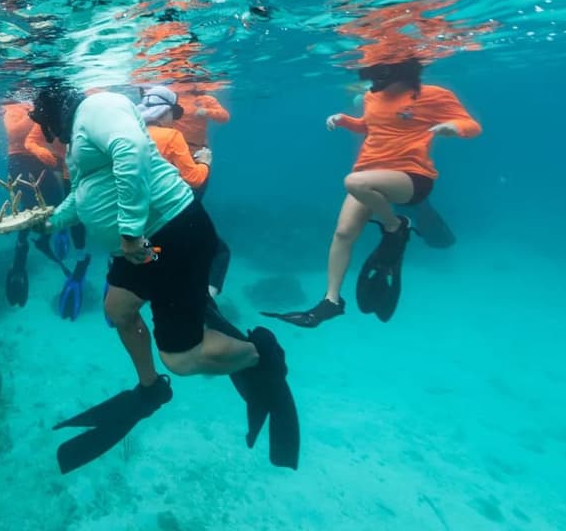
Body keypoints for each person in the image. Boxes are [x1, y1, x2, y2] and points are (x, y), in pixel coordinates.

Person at [29, 81, 297, 473]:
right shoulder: (81, 136)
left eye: (46, 128)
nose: (48, 137)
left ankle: (261, 355)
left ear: (54, 116)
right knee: (119, 309)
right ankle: (151, 389)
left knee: (182, 359)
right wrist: (50, 221)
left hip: (171, 236)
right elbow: (86, 191)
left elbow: (132, 150)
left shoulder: (99, 107)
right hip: (142, 247)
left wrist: (130, 230)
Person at [264, 58, 481, 327]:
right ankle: (331, 301)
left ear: (402, 71)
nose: (374, 81)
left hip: (412, 176)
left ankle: (394, 226)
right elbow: (370, 126)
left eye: (380, 73)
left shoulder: (433, 95)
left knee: (354, 182)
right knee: (343, 233)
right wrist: (344, 121)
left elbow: (472, 126)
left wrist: (455, 128)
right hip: (371, 173)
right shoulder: (370, 96)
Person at [135, 85, 231, 297]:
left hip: (143, 213)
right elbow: (194, 179)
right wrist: (206, 162)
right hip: (172, 209)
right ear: (165, 112)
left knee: (157, 246)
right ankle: (206, 301)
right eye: (173, 113)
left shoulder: (134, 134)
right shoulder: (172, 136)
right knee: (220, 252)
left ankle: (147, 276)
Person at [0, 101, 90, 317]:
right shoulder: (15, 108)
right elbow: (22, 135)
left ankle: (49, 241)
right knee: (34, 209)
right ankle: (24, 255)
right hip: (29, 161)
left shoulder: (44, 110)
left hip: (52, 160)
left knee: (54, 205)